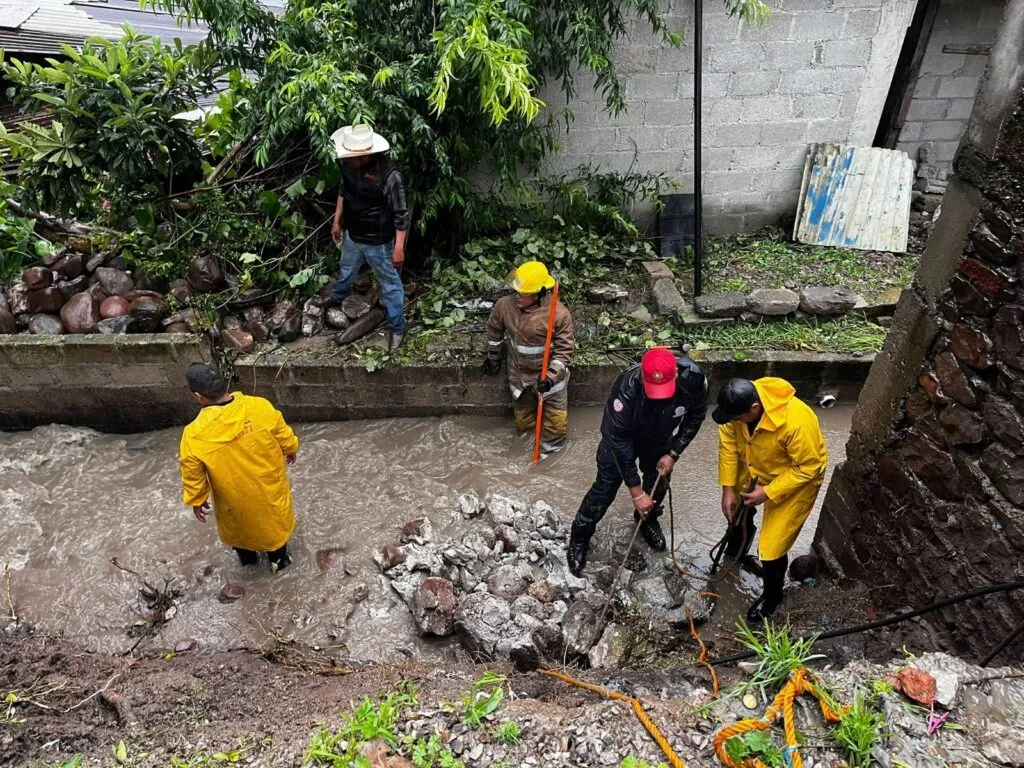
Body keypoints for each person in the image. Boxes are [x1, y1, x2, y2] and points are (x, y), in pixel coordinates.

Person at [567, 347, 708, 576]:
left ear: (675, 375)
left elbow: (696, 417)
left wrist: (673, 452)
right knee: (604, 488)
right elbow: (617, 438)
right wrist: (635, 491)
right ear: (643, 377)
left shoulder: (693, 380)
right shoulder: (627, 388)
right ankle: (579, 537)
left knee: (658, 484)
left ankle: (647, 520)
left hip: (660, 438)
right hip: (622, 439)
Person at [714, 377, 828, 622]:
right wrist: (728, 489)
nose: (733, 421)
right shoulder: (737, 408)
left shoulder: (796, 421)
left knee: (772, 546)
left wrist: (767, 492)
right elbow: (729, 445)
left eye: (736, 418)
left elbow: (809, 467)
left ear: (755, 409)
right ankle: (736, 550)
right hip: (754, 460)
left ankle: (772, 598)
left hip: (794, 476)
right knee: (736, 511)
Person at [179, 363, 300, 572]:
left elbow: (192, 474)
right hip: (268, 494)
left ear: (199, 397)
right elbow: (284, 434)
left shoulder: (194, 433)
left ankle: (249, 567)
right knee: (275, 537)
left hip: (234, 504)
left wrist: (197, 500)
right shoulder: (259, 407)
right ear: (225, 384)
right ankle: (279, 565)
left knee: (242, 539)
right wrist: (291, 448)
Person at [329, 124, 411, 352]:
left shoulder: (390, 175)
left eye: (350, 157)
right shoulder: (347, 166)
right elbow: (343, 191)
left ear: (365, 156)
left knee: (390, 285)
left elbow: (401, 214)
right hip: (352, 234)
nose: (346, 160)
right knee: (346, 270)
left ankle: (397, 328)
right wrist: (337, 220)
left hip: (379, 241)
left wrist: (399, 248)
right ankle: (336, 301)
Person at [482, 261, 575, 454]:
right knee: (524, 427)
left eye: (523, 294)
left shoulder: (558, 314)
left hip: (550, 383)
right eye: (517, 291)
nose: (518, 296)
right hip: (520, 380)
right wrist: (493, 356)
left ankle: (549, 461)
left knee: (555, 428)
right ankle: (525, 454)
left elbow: (564, 351)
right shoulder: (505, 306)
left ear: (538, 294)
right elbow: (494, 330)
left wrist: (550, 379)